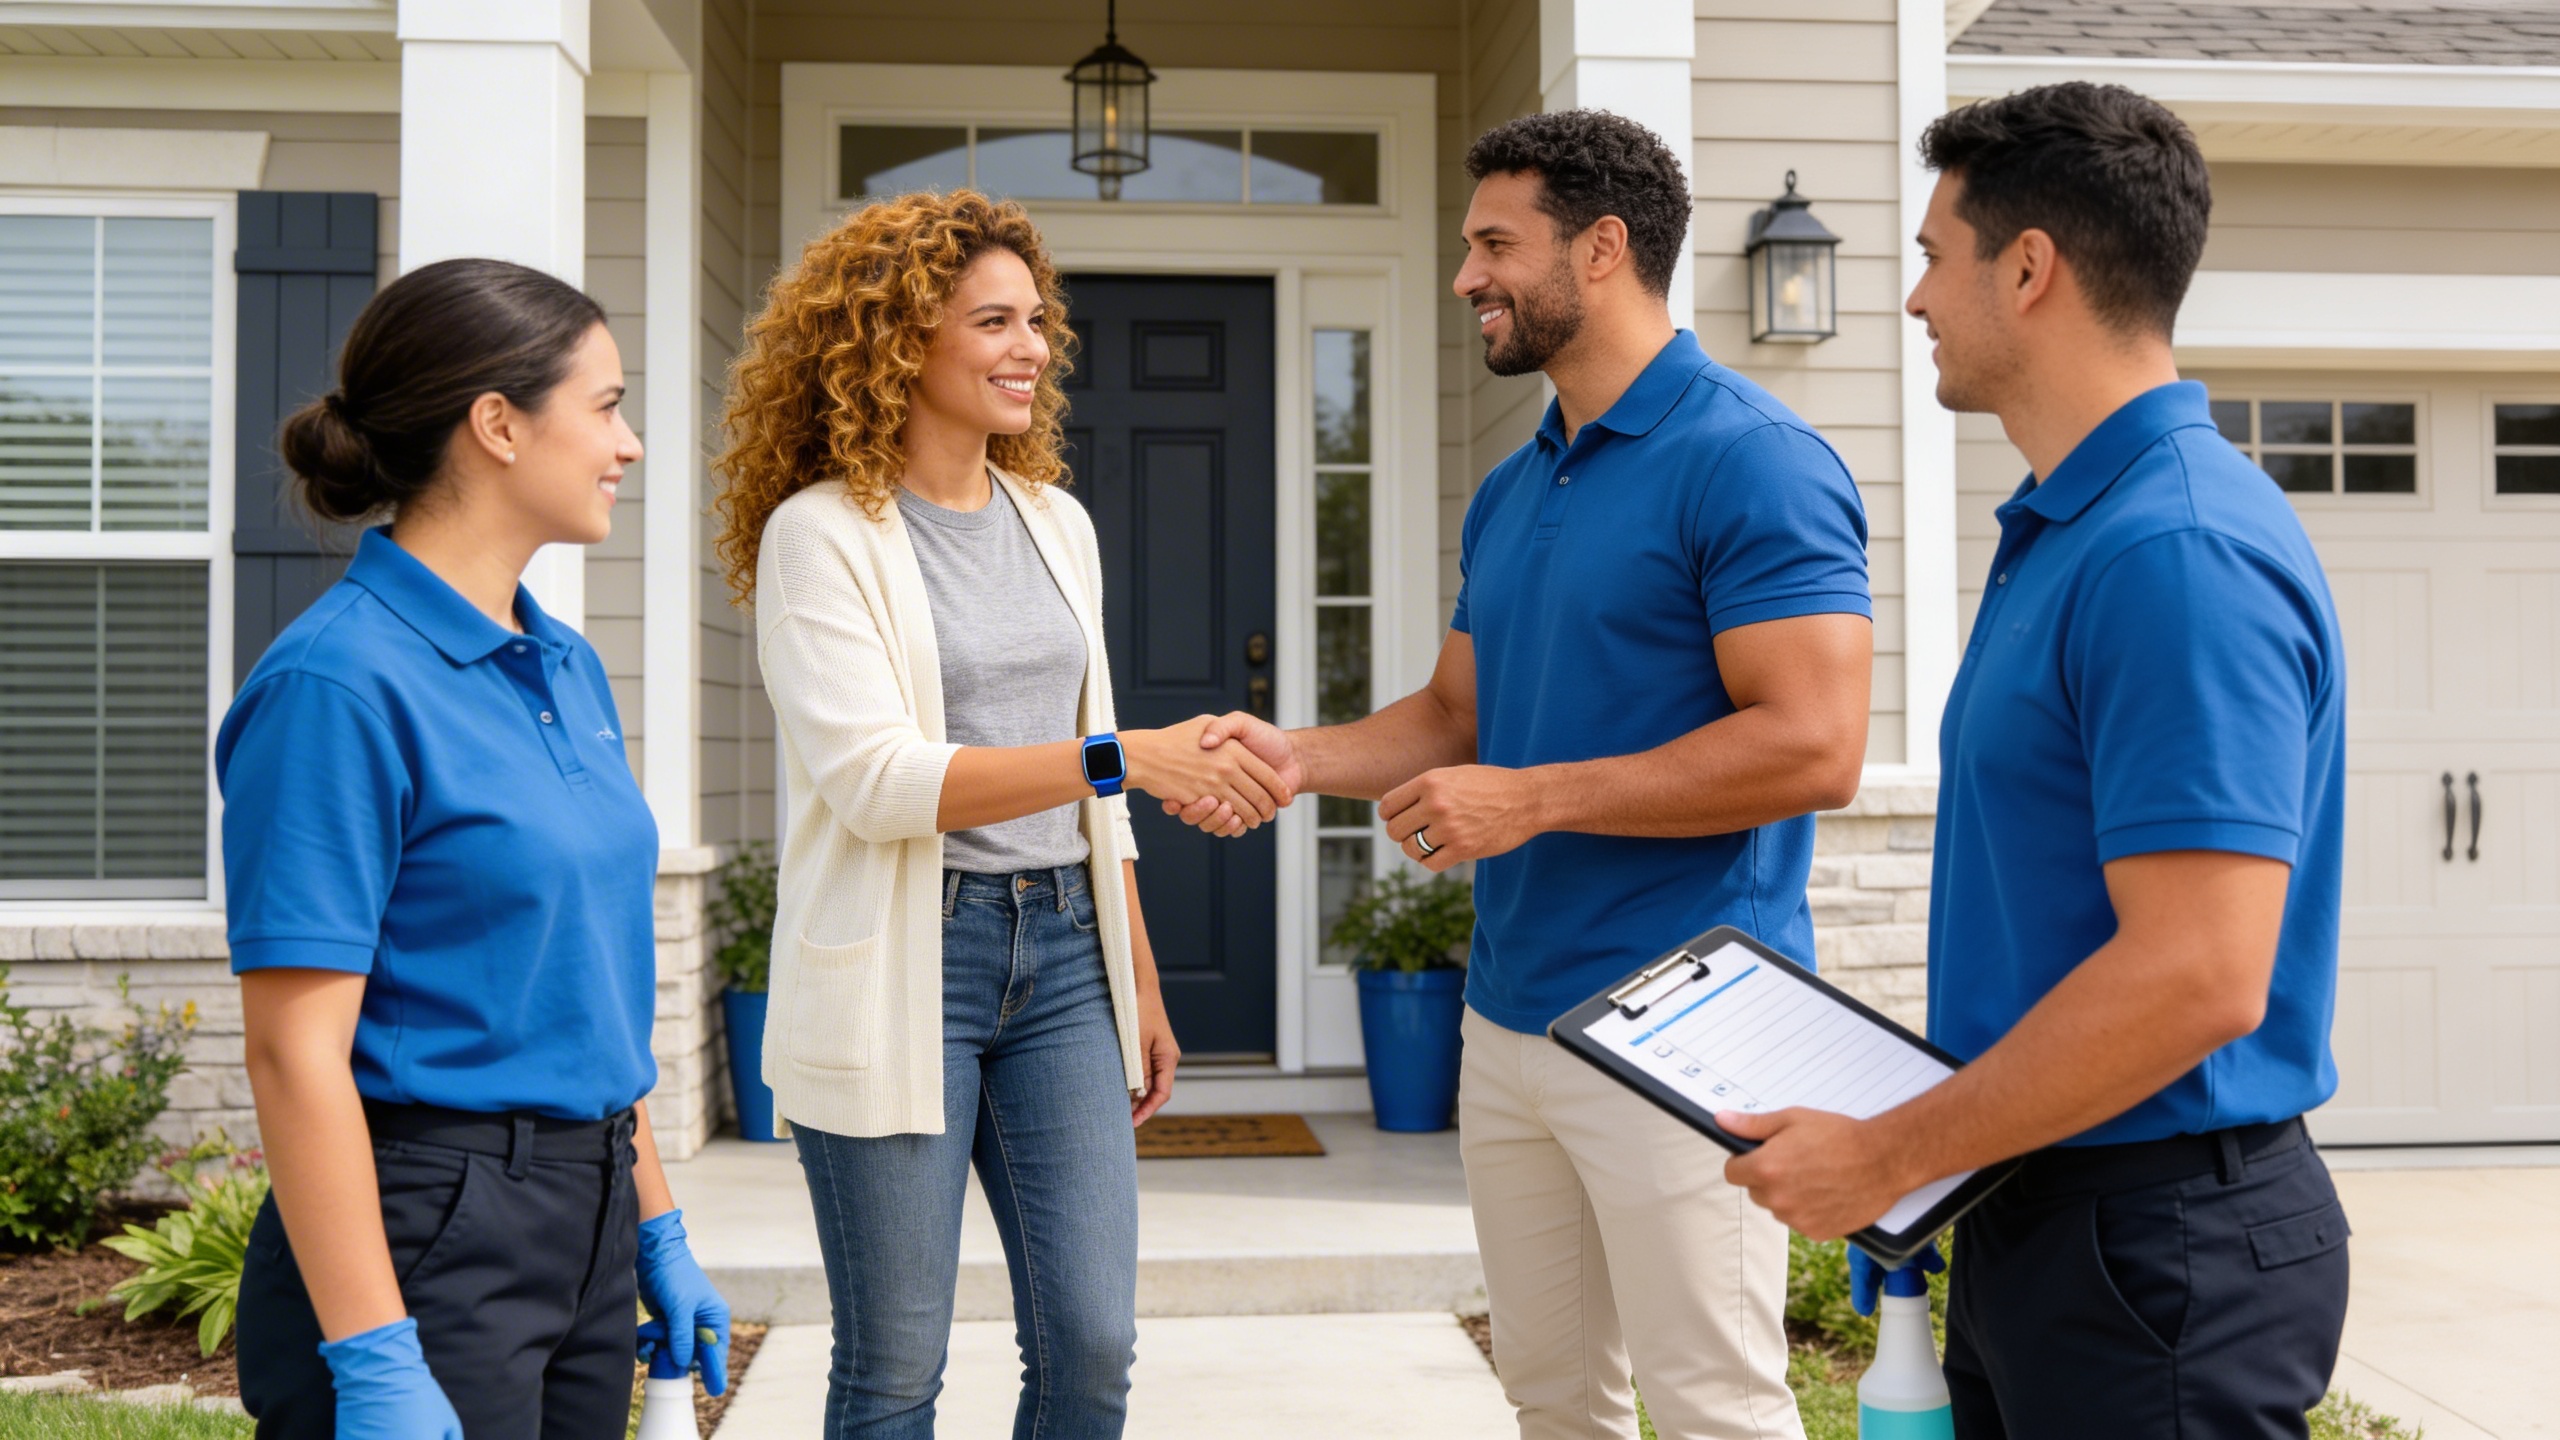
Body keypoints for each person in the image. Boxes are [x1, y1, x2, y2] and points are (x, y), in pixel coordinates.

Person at [1177, 112, 1874, 1439]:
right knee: (1553, 1399)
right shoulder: (1516, 482)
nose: (1466, 278)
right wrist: (1299, 757)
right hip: (1508, 1024)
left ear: (1601, 249)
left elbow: (1814, 747)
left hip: (1689, 1021)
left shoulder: (1753, 460)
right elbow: (1455, 711)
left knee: (1714, 1404)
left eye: (1495, 244)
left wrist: (1538, 795)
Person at [1719, 82, 2352, 1438]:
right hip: (2051, 1212)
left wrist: (1887, 1156)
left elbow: (2199, 971)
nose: (1914, 301)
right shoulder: (2077, 529)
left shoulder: (2174, 552)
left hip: (2157, 1250)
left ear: (2029, 269)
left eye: (1934, 257)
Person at [711, 190, 1281, 1439]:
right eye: (994, 321)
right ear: (898, 340)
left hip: (1067, 957)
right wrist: (1120, 754)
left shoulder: (1054, 522)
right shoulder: (823, 538)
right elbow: (880, 783)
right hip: (903, 965)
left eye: (1037, 320)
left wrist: (1136, 972)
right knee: (895, 1365)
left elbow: (1101, 794)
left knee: (1090, 1344)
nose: (1032, 347)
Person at [223, 258, 731, 1438]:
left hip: (590, 1207)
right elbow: (292, 1052)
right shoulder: (335, 685)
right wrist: (372, 1355)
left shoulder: (565, 662)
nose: (631, 443)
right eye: (604, 406)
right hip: (426, 1222)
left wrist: (652, 1223)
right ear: (497, 424)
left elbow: (583, 987)